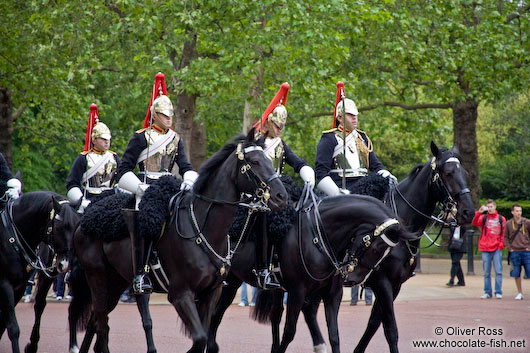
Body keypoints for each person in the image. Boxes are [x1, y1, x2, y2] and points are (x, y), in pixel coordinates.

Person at [117, 72, 198, 295]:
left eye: (170, 114)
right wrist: (140, 188)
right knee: (148, 219)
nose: (169, 118)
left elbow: (185, 167)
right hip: (145, 189)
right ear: (155, 115)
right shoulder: (141, 137)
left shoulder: (176, 139)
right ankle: (141, 273)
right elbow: (123, 170)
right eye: (164, 114)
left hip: (169, 187)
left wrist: (190, 181)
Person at [252, 82, 315, 288]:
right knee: (263, 218)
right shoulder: (256, 142)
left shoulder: (280, 144)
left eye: (282, 127)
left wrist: (306, 172)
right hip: (259, 190)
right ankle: (263, 268)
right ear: (269, 122)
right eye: (278, 125)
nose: (280, 130)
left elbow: (296, 162)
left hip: (278, 189)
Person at [315, 82, 396, 197]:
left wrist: (387, 176)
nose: (354, 118)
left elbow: (375, 166)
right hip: (340, 189)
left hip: (365, 189)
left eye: (356, 115)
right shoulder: (329, 138)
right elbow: (321, 172)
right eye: (350, 114)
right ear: (339, 117)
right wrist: (337, 193)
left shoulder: (362, 138)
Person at [66, 104, 120, 213]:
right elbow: (72, 183)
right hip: (88, 201)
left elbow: (120, 180)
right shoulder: (83, 158)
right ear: (94, 140)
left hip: (110, 201)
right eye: (103, 139)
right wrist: (81, 201)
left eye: (108, 139)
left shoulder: (114, 158)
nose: (106, 142)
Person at [472, 199, 506, 299]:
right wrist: (479, 212)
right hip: (485, 248)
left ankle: (498, 291)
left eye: (492, 207)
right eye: (489, 207)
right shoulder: (483, 218)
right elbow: (474, 222)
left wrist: (501, 245)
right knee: (486, 272)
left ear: (495, 207)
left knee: (498, 271)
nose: (490, 209)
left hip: (496, 248)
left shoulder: (501, 219)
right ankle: (487, 291)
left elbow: (503, 233)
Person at [504, 204, 530, 300]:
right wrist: (510, 248)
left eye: (520, 211)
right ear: (512, 212)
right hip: (515, 251)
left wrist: (529, 247)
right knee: (516, 273)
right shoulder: (509, 224)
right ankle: (520, 292)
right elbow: (505, 237)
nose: (519, 213)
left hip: (526, 251)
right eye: (517, 211)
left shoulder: (527, 222)